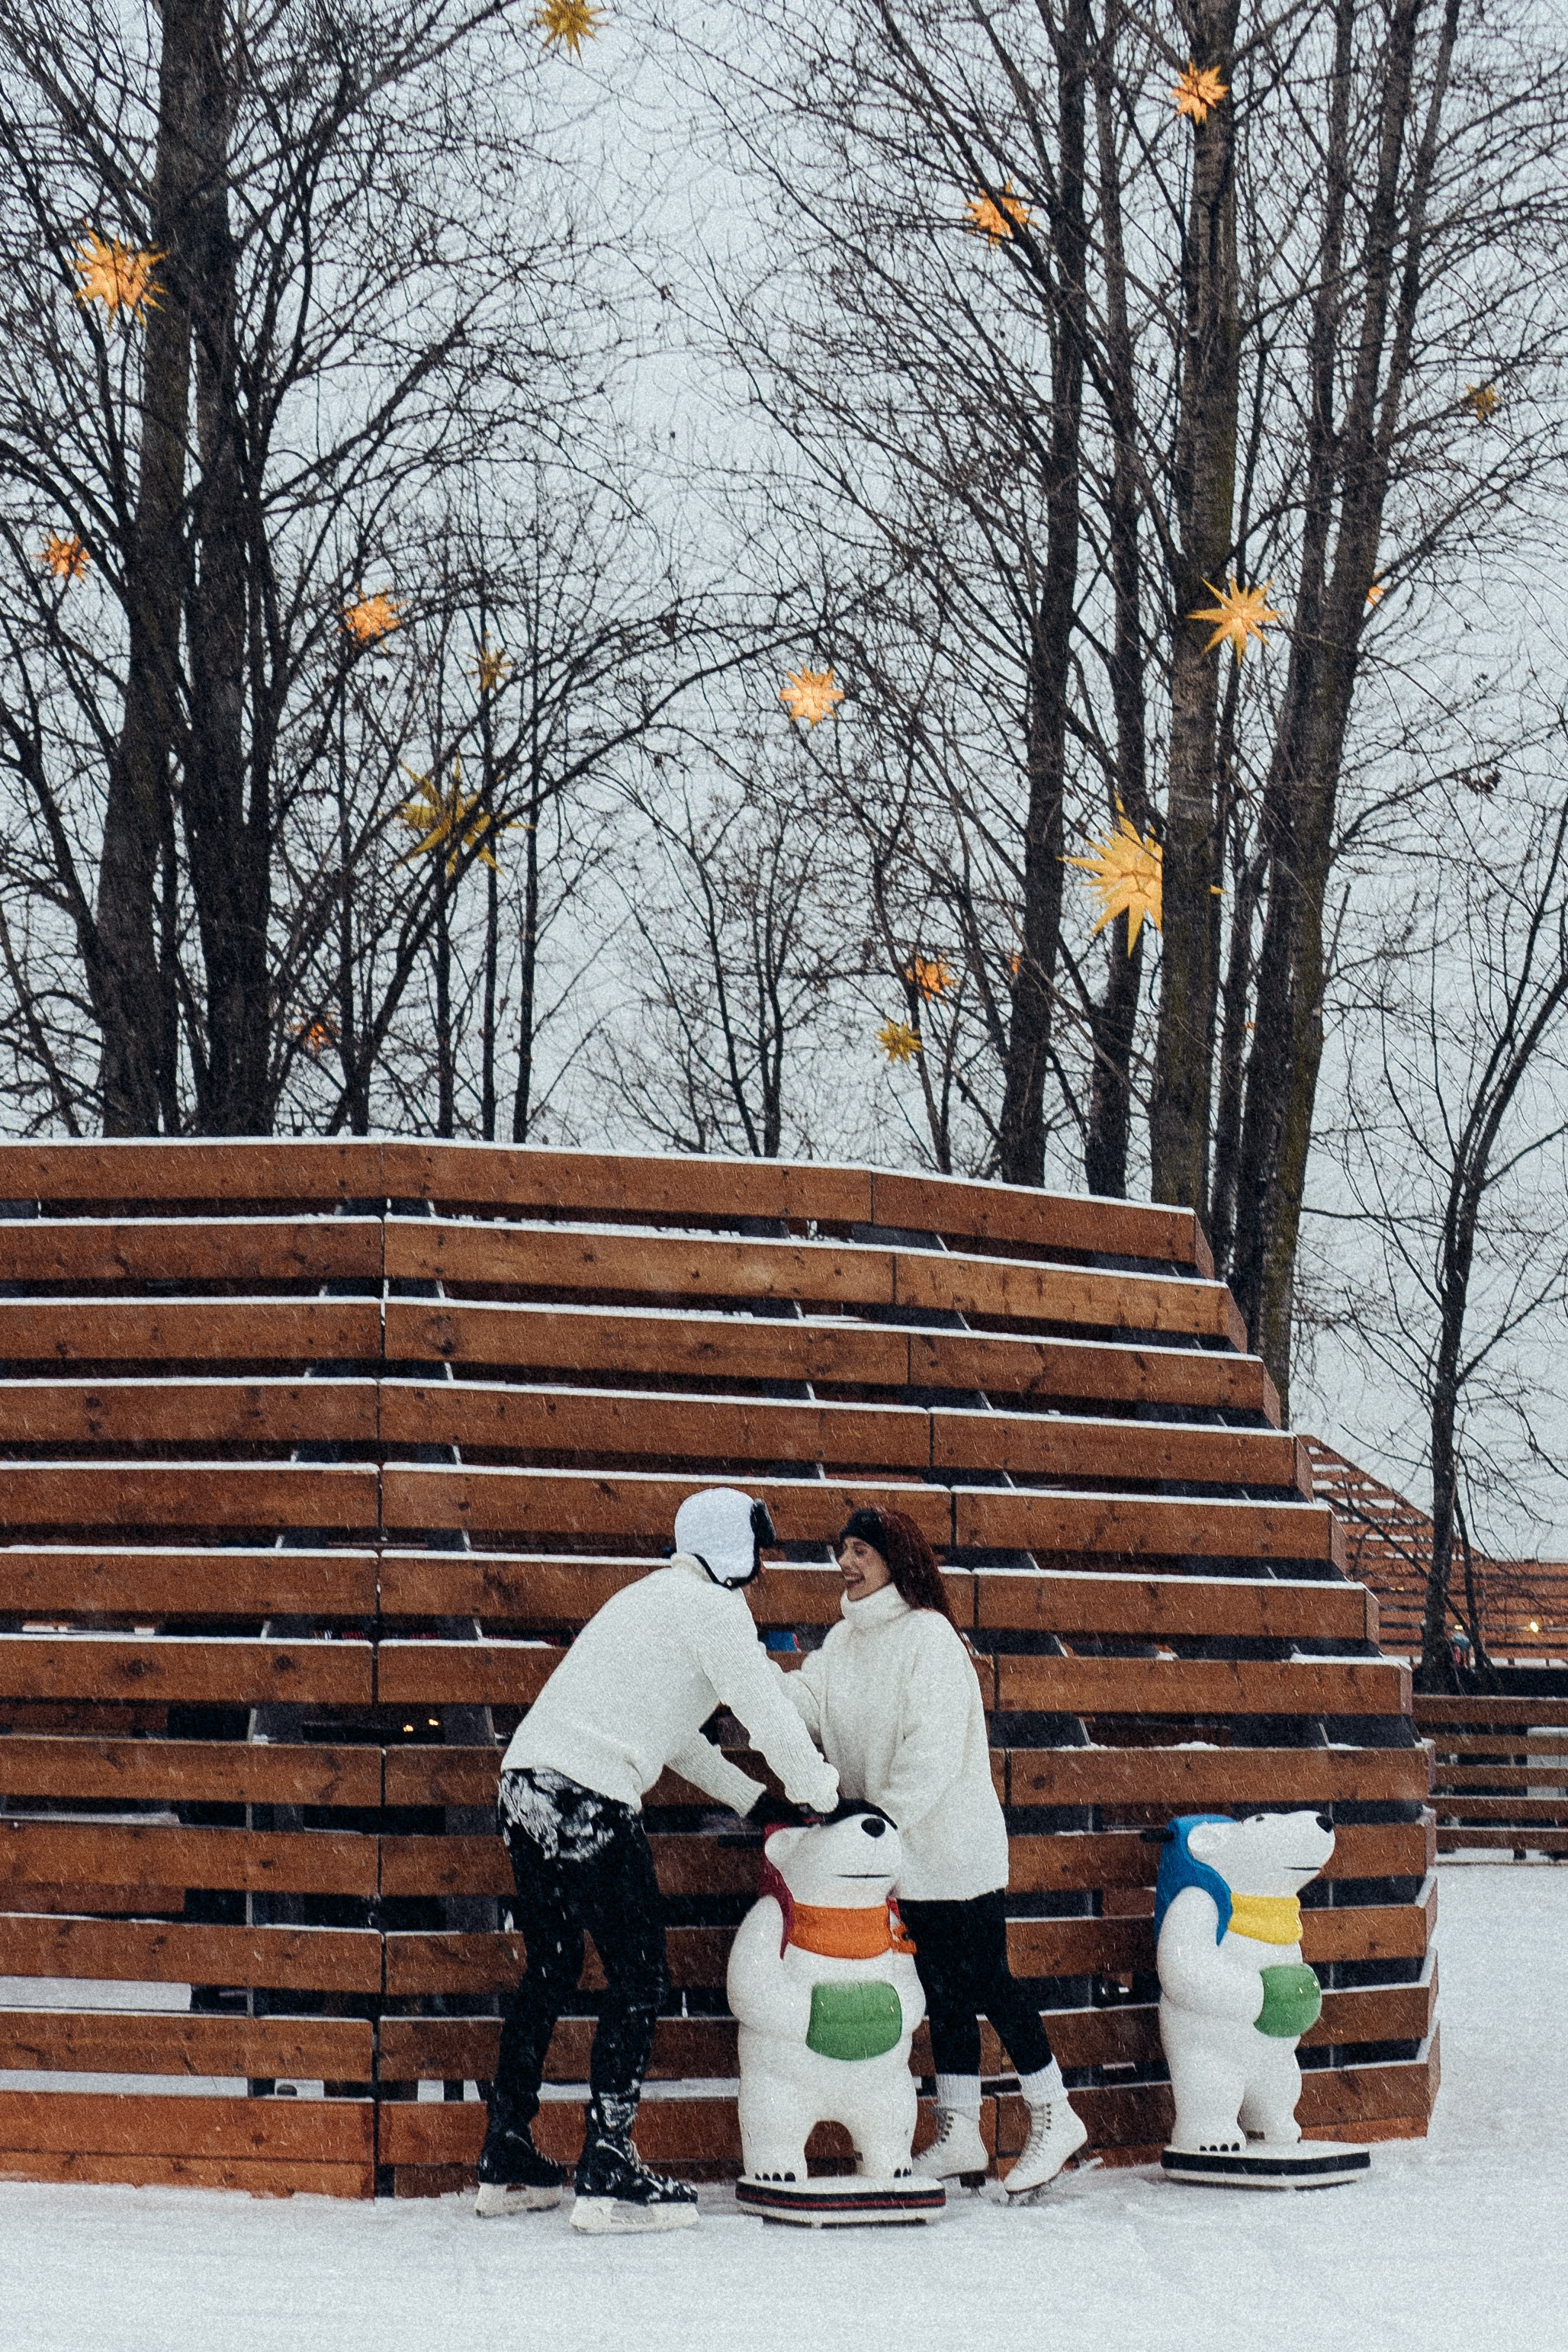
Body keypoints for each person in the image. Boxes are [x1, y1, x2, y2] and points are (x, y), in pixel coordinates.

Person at [475, 1486, 840, 2234]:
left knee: (550, 1969)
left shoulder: (647, 1598)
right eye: (757, 1547)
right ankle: (608, 2169)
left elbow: (672, 1735)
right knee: (639, 1978)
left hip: (525, 1788)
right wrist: (821, 1795)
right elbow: (764, 1711)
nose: (762, 1565)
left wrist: (751, 1802)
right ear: (732, 1546)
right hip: (587, 1796)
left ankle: (506, 2154)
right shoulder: (715, 1611)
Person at [782, 1505, 1088, 2196]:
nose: (846, 1563)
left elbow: (933, 1747)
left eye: (860, 1549)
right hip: (897, 1858)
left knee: (986, 1981)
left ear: (894, 1558)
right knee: (943, 1993)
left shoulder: (930, 1638)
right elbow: (804, 1698)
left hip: (952, 1848)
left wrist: (882, 1819)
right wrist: (753, 1688)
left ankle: (1054, 2112)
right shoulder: (843, 1642)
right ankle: (961, 2132)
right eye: (842, 1549)